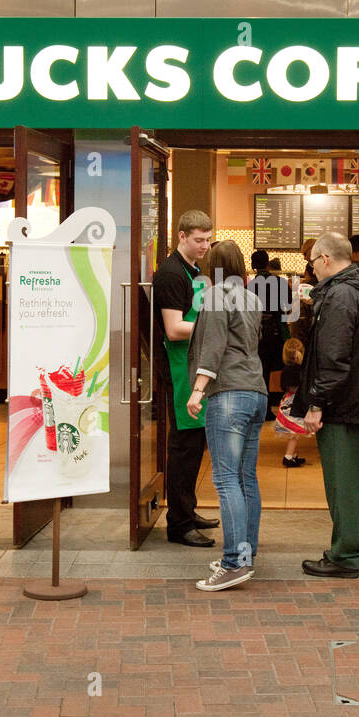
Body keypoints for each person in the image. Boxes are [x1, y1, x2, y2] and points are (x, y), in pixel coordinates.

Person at [293, 233, 359, 578]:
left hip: (343, 404)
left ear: (323, 259)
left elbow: (333, 357)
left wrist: (316, 404)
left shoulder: (338, 295)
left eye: (312, 262)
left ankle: (344, 555)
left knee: (343, 483)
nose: (312, 269)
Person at [186, 241, 269, 592]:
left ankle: (234, 561)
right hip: (257, 392)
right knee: (246, 477)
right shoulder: (252, 297)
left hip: (229, 393)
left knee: (225, 479)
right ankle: (246, 554)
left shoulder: (217, 294)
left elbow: (214, 344)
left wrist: (198, 389)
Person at [154, 210, 220, 546]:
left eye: (208, 239)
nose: (205, 246)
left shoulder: (191, 269)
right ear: (181, 236)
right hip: (180, 370)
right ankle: (178, 524)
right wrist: (214, 328)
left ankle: (187, 509)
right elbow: (174, 328)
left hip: (192, 366)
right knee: (183, 449)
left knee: (194, 448)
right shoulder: (170, 274)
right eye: (198, 240)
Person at [247, 248, 291, 398]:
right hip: (278, 331)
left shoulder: (249, 287)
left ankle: (263, 405)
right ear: (267, 264)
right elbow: (289, 306)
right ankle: (282, 401)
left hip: (258, 333)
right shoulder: (281, 282)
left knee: (262, 368)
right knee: (283, 365)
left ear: (253, 266)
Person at [273, 338, 309, 467]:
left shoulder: (287, 369)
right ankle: (288, 457)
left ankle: (291, 455)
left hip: (287, 401)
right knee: (295, 432)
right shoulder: (301, 370)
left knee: (293, 432)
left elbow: (284, 386)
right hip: (295, 403)